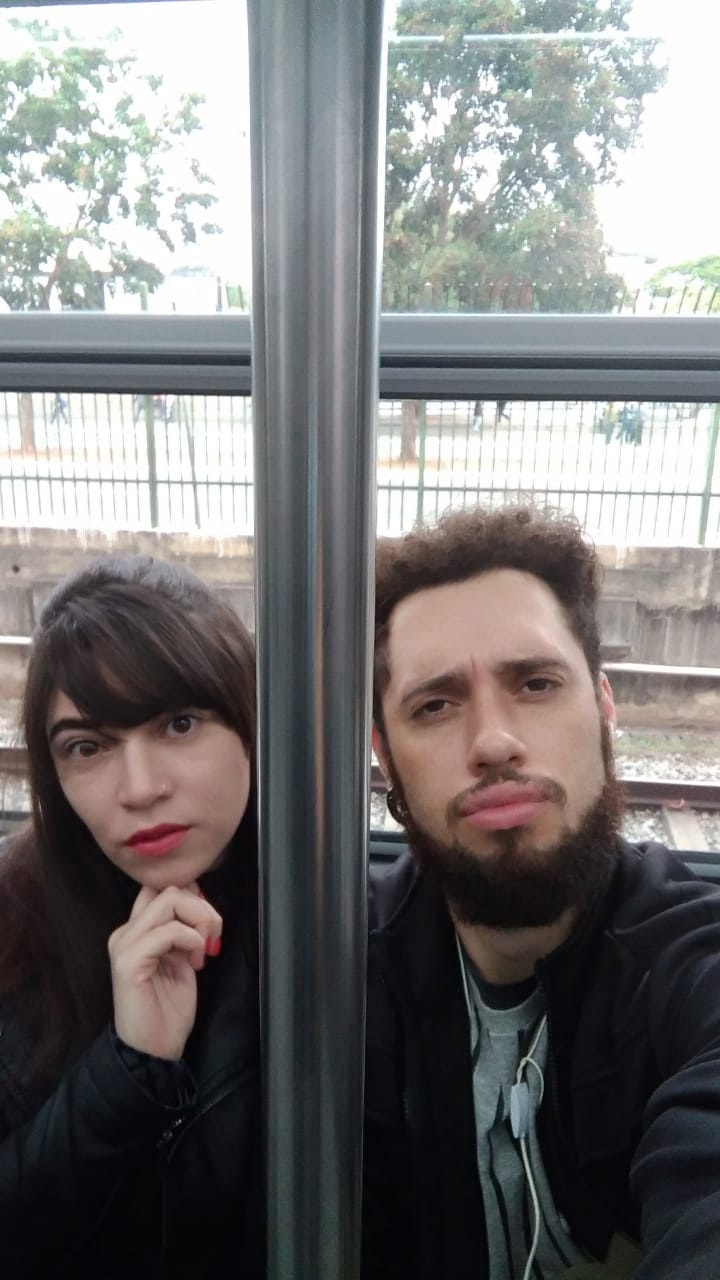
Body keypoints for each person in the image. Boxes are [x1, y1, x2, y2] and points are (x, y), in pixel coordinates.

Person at [363, 504, 720, 1280]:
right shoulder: (338, 973)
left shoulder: (689, 964)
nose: (494, 741)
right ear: (384, 756)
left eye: (535, 683)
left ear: (603, 708)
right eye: (435, 704)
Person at [0, 555, 263, 1279]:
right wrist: (128, 1069)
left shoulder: (337, 908)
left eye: (179, 723)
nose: (140, 789)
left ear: (250, 723)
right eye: (87, 747)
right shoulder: (13, 925)